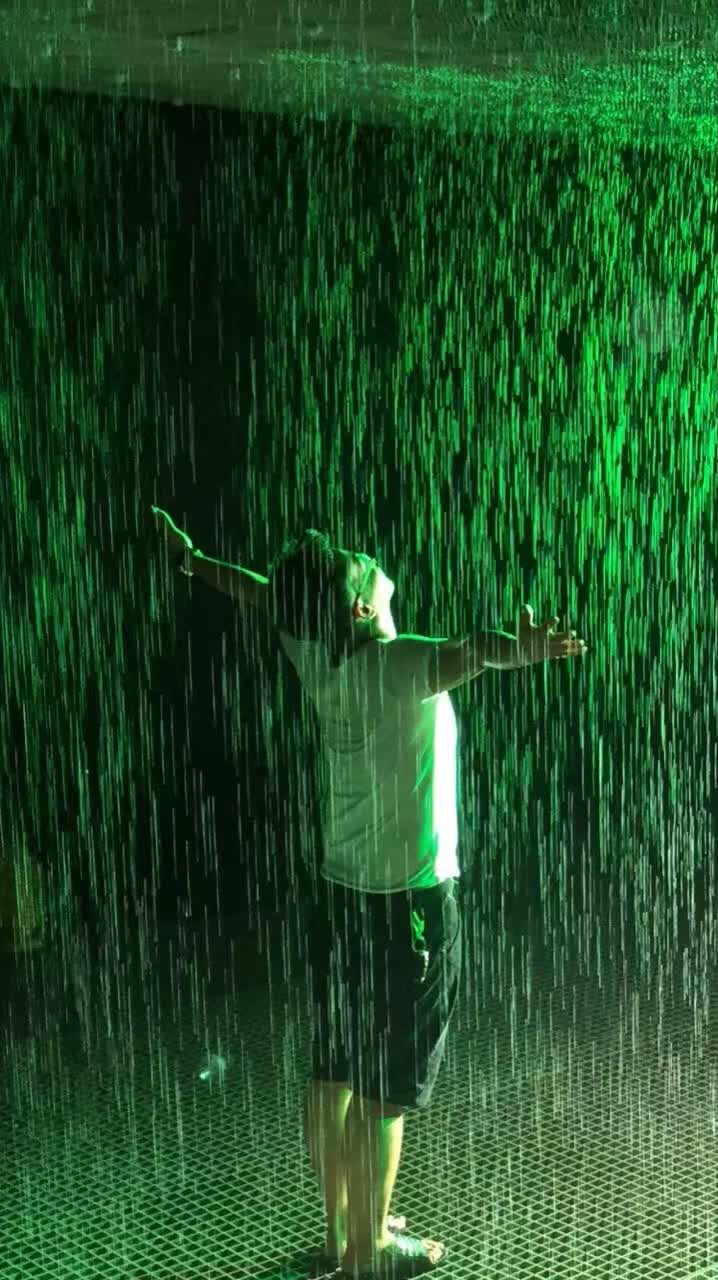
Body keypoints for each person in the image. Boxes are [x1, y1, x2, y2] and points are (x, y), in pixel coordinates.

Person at [150, 508, 588, 1279]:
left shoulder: (312, 647)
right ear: (361, 606)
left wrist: (196, 562)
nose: (366, 554)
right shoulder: (397, 662)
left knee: (334, 1070)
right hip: (411, 907)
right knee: (386, 1087)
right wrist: (522, 649)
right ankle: (371, 1251)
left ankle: (342, 1230)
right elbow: (469, 653)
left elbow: (263, 594)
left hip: (339, 899)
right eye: (358, 562)